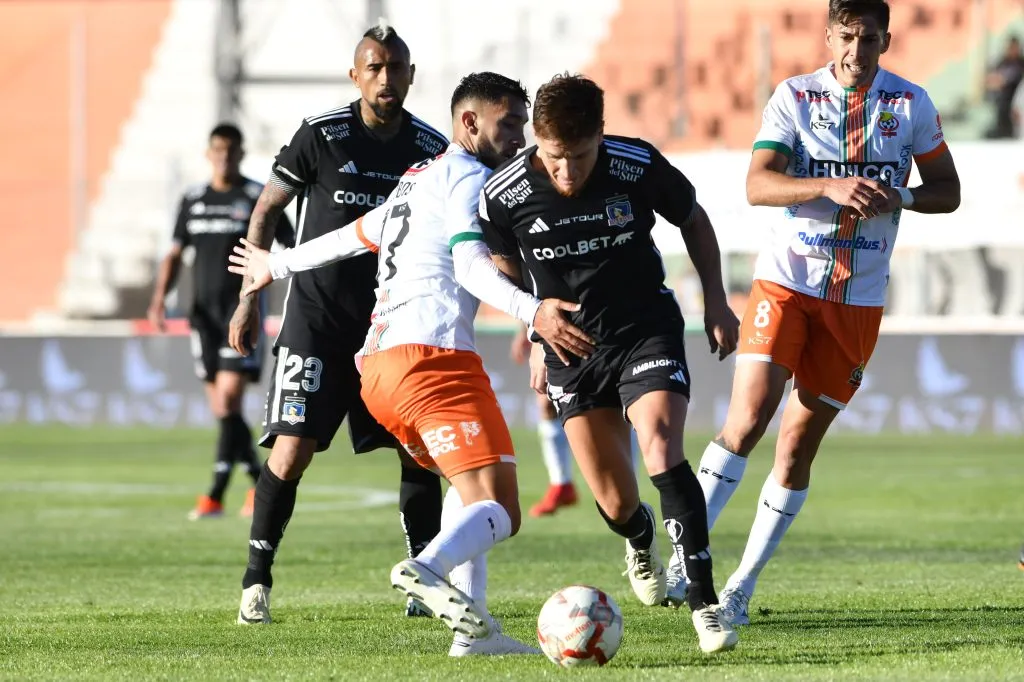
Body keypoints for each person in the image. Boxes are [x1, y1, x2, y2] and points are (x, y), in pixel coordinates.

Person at [229, 71, 592, 656]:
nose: (520, 137)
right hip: (434, 361)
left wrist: (278, 264)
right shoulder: (470, 178)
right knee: (501, 507)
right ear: (469, 123)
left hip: (379, 370)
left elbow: (353, 235)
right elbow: (472, 266)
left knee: (466, 487)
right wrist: (534, 314)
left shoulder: (416, 179)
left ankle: (473, 634)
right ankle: (425, 569)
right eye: (509, 124)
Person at [693, 0, 961, 626]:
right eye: (845, 38)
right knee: (751, 416)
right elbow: (758, 184)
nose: (855, 52)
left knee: (795, 451)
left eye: (868, 40)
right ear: (828, 36)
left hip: (858, 299)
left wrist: (900, 195)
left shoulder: (911, 105)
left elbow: (947, 191)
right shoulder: (794, 97)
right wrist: (827, 185)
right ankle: (690, 553)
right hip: (786, 283)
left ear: (885, 40)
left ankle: (739, 589)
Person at [479, 73, 740, 654]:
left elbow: (693, 219)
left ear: (601, 133)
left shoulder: (636, 164)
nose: (566, 171)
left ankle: (705, 602)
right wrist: (535, 327)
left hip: (644, 330)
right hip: (572, 350)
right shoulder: (504, 193)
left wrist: (717, 300)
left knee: (661, 446)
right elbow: (500, 263)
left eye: (579, 156)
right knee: (617, 503)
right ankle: (639, 537)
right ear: (537, 144)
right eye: (553, 158)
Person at [227, 22, 449, 624]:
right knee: (292, 449)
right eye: (372, 68)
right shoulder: (321, 136)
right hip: (317, 320)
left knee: (417, 450)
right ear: (356, 76)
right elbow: (269, 207)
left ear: (410, 76)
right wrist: (251, 296)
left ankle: (423, 581)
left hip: (391, 324)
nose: (384, 78)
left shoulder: (431, 150)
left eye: (394, 68)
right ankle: (256, 580)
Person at [148, 123, 294, 520]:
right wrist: (160, 298)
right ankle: (255, 482)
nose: (224, 157)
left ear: (241, 154)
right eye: (217, 150)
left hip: (240, 314)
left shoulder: (256, 199)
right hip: (203, 320)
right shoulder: (193, 199)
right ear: (208, 153)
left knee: (229, 400)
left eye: (231, 151)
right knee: (222, 409)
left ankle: (214, 493)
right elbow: (175, 253)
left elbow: (289, 246)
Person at [510, 325, 578, 516]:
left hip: (595, 321)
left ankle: (628, 486)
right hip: (550, 324)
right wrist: (524, 332)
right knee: (546, 400)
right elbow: (531, 293)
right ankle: (561, 484)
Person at [985, 36, 1024, 139]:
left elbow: (1003, 80)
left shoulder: (1020, 63)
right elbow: (990, 80)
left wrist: (999, 80)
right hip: (1000, 105)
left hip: (1014, 106)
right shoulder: (1002, 62)